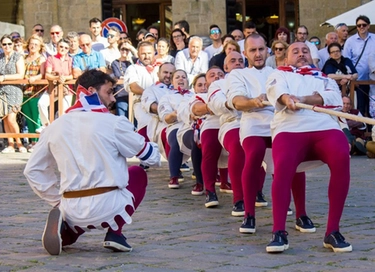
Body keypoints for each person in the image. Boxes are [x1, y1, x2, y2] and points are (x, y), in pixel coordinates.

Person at [24, 69, 160, 255]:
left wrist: (56, 201)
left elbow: (32, 170)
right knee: (137, 173)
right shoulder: (113, 123)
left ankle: (66, 230)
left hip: (70, 206)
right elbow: (152, 158)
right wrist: (149, 142)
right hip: (109, 206)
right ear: (91, 91)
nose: (113, 99)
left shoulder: (54, 127)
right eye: (109, 92)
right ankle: (115, 233)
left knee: (75, 218)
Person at [265, 41, 352, 253]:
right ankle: (279, 232)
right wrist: (287, 98)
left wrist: (303, 98)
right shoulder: (279, 74)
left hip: (323, 125)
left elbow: (334, 99)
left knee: (342, 155)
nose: (301, 54)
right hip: (290, 128)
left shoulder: (322, 77)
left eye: (305, 51)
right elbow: (277, 92)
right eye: (295, 51)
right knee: (283, 165)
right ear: (286, 58)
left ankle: (332, 231)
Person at [207, 51, 245, 215]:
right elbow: (216, 104)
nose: (237, 63)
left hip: (257, 122)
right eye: (233, 61)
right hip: (232, 122)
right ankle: (239, 198)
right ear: (226, 66)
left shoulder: (253, 78)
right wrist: (236, 103)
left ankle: (258, 190)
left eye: (240, 60)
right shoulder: (218, 84)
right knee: (238, 144)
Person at [190, 66, 230, 207]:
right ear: (206, 83)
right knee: (210, 149)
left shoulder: (232, 91)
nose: (217, 77)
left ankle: (247, 190)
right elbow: (196, 109)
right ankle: (210, 191)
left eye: (220, 74)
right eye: (212, 75)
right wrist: (214, 106)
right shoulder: (201, 96)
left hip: (231, 123)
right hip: (212, 124)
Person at [158, 69, 194, 188]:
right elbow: (166, 117)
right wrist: (177, 114)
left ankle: (200, 174)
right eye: (177, 77)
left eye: (183, 77)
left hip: (192, 124)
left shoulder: (193, 95)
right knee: (175, 139)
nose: (180, 79)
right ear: (172, 81)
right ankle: (174, 176)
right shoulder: (166, 97)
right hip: (175, 125)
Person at [123, 41, 158, 140]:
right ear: (138, 54)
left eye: (149, 53)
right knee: (145, 134)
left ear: (154, 53)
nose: (146, 56)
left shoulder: (159, 68)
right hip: (142, 105)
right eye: (143, 53)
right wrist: (149, 94)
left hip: (161, 105)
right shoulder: (133, 68)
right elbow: (133, 86)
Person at [343, 15, 375, 117]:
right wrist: (351, 76)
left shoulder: (374, 38)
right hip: (358, 80)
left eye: (364, 25)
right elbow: (346, 60)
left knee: (372, 105)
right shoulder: (350, 41)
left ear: (368, 26)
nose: (361, 27)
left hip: (373, 79)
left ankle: (371, 130)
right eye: (359, 25)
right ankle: (362, 130)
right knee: (361, 106)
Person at [40, 38, 74, 130]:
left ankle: (61, 133)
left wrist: (64, 78)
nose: (63, 49)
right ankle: (47, 126)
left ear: (68, 49)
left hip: (67, 90)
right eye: (61, 46)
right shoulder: (51, 58)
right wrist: (57, 78)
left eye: (66, 48)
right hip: (53, 88)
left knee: (63, 114)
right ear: (57, 47)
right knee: (41, 104)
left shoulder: (70, 60)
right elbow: (47, 74)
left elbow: (72, 75)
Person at [0, 35, 26, 153]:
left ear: (13, 44)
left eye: (9, 44)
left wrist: (4, 77)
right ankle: (10, 144)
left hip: (15, 90)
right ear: (1, 45)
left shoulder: (18, 56)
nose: (7, 46)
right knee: (5, 117)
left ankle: (20, 144)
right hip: (2, 90)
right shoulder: (0, 57)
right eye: (4, 44)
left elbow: (20, 75)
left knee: (11, 117)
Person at [22, 34, 46, 151]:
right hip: (24, 91)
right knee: (28, 117)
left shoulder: (41, 58)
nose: (33, 46)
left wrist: (35, 78)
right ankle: (32, 141)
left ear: (40, 46)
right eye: (31, 44)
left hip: (36, 91)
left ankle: (38, 141)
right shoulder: (24, 58)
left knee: (36, 117)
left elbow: (42, 74)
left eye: (36, 44)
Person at [111, 41, 132, 117]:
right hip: (121, 93)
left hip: (133, 93)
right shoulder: (115, 63)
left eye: (127, 49)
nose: (124, 51)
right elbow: (118, 75)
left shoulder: (133, 61)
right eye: (122, 49)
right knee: (122, 116)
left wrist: (131, 60)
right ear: (119, 50)